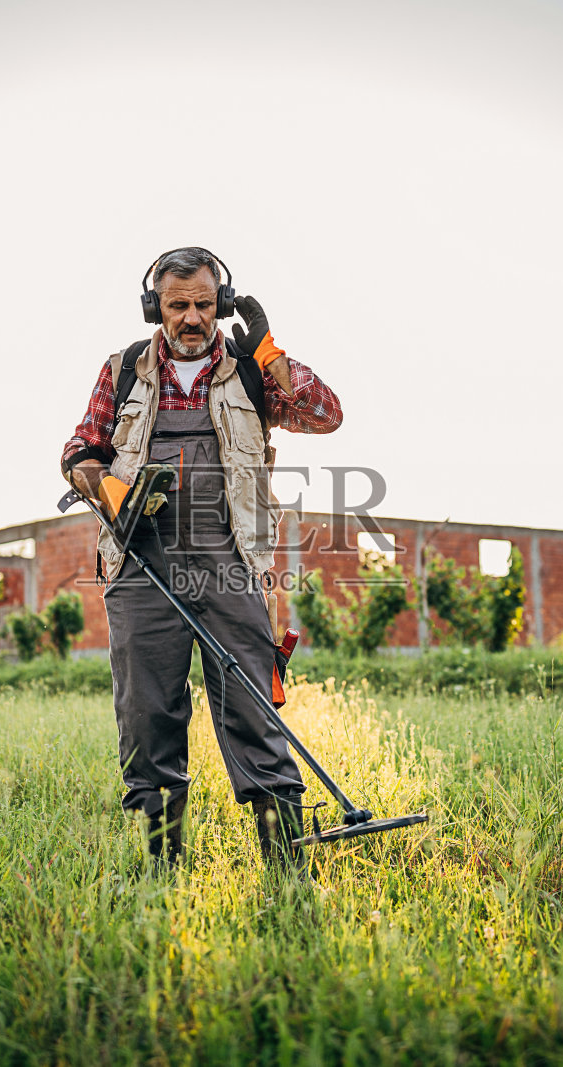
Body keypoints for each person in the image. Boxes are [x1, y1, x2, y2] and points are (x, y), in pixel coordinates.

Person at [59, 247, 343, 871]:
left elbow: (325, 416)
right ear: (153, 306)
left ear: (222, 304)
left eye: (204, 304)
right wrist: (101, 485)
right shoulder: (123, 371)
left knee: (252, 706)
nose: (192, 318)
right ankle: (163, 868)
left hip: (230, 560)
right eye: (178, 304)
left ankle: (286, 868)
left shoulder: (247, 370)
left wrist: (269, 352)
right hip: (140, 563)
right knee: (149, 712)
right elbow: (80, 448)